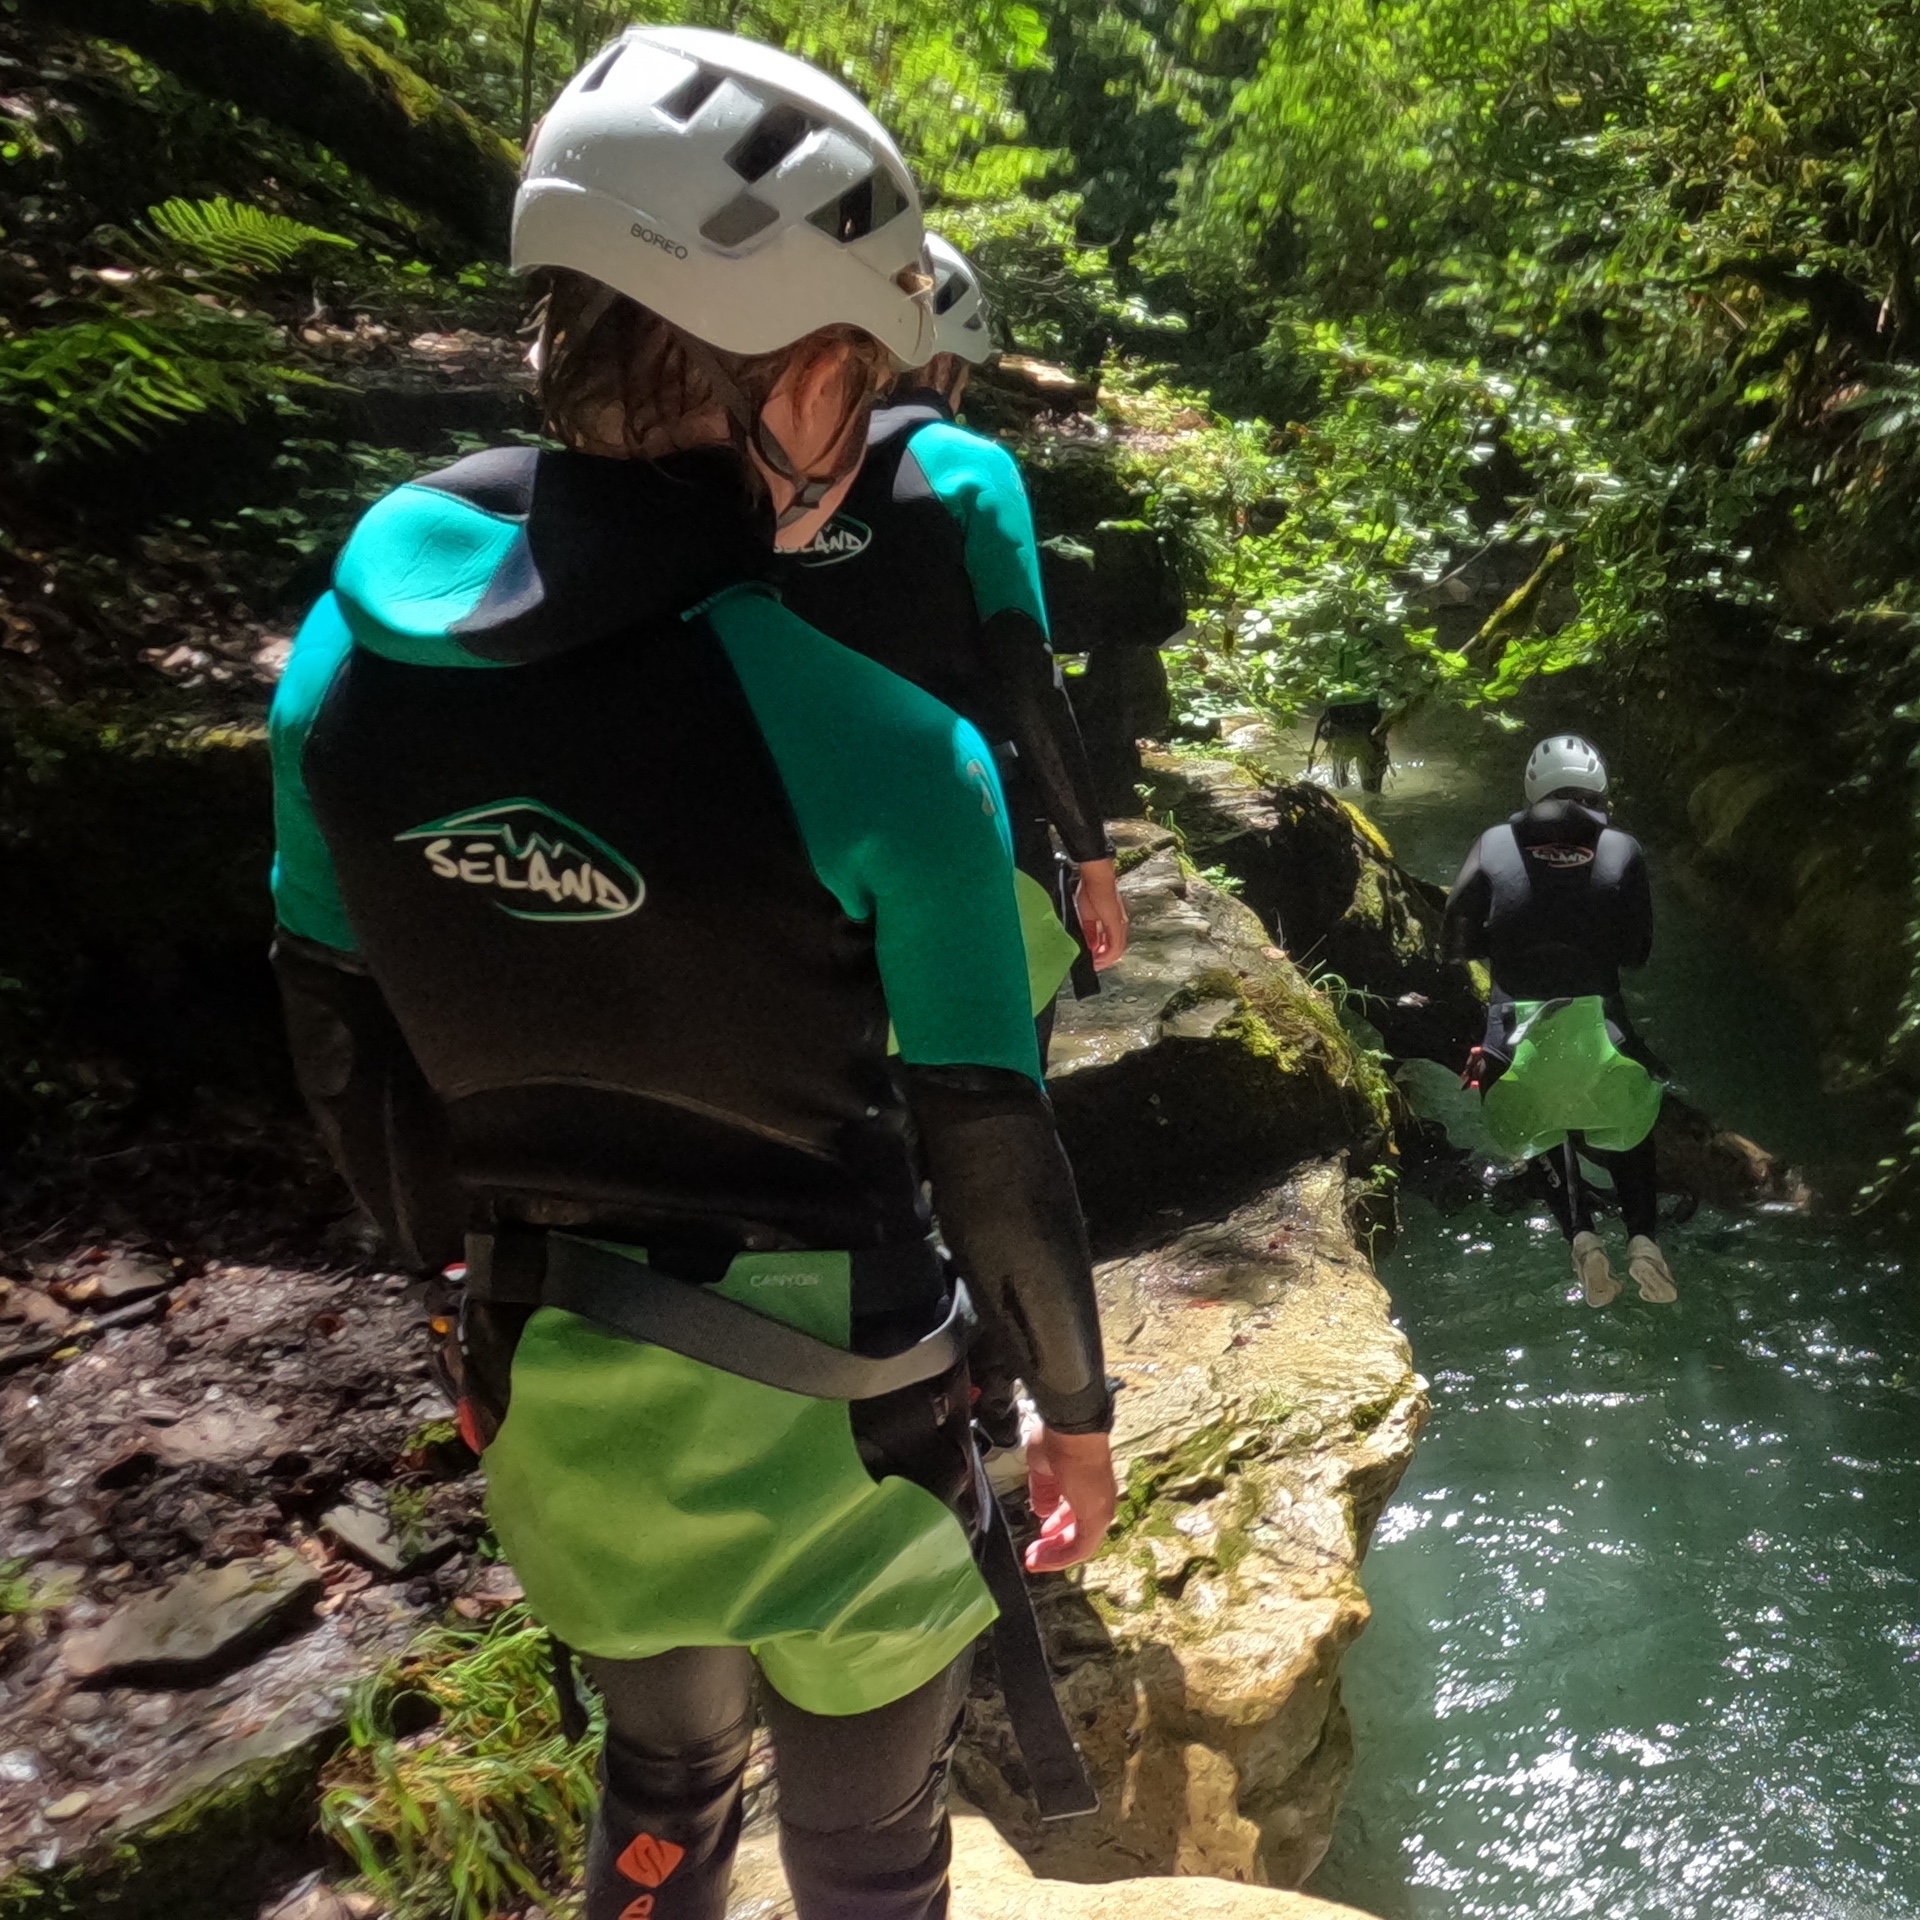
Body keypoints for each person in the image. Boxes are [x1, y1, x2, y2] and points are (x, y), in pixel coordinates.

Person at [266, 30, 1115, 1920]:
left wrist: (468, 1324)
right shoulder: (896, 755)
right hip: (863, 1429)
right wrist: (1078, 1412)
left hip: (569, 1384)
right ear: (810, 372)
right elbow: (991, 1140)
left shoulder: (336, 674)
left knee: (658, 1787)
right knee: (872, 1842)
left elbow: (346, 1053)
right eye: (863, 385)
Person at [779, 234, 1126, 1054]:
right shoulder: (968, 467)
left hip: (806, 832)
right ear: (948, 364)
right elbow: (1024, 671)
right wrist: (1094, 862)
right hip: (969, 821)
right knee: (991, 1091)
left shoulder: (780, 464)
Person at [1441, 734, 1676, 1307]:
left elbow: (1454, 940)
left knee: (1543, 1119)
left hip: (1514, 1052)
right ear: (1598, 793)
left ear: (1531, 789)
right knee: (1631, 1123)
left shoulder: (1494, 842)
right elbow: (1636, 952)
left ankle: (1583, 1240)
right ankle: (1644, 1239)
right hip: (1605, 1047)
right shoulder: (1624, 848)